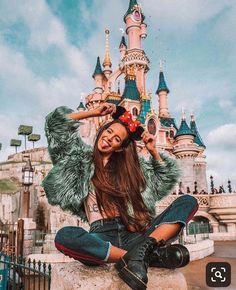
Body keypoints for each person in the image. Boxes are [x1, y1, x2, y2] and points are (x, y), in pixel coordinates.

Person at [42, 103, 199, 290]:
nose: (109, 138)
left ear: (118, 147)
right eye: (109, 131)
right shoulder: (79, 159)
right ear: (103, 129)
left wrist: (153, 150)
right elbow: (56, 124)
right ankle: (141, 257)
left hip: (135, 234)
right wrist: (93, 112)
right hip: (101, 236)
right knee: (65, 236)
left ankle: (141, 252)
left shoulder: (130, 171)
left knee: (188, 201)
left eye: (117, 139)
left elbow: (163, 179)